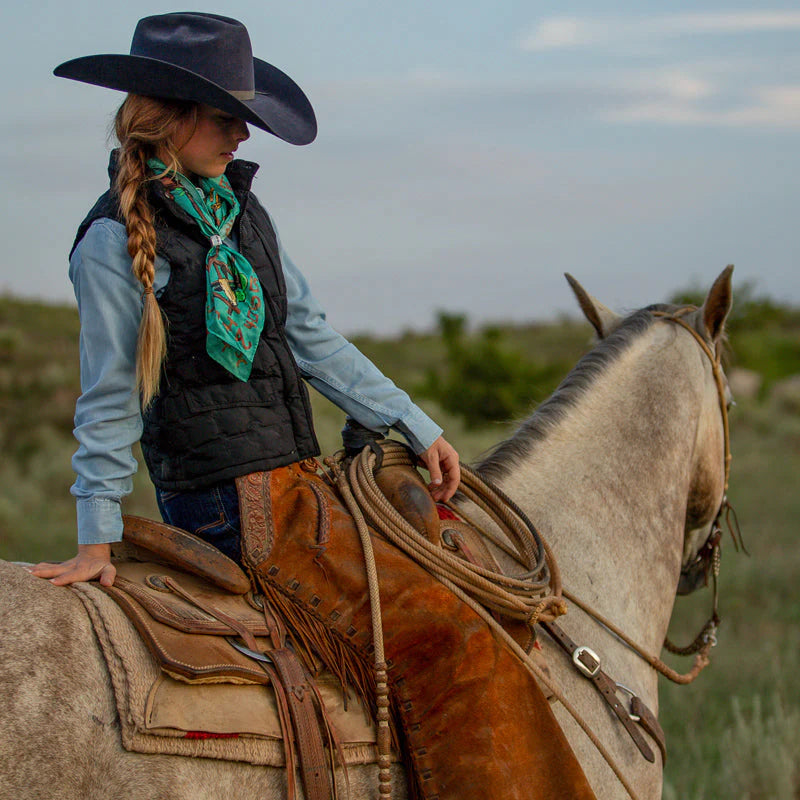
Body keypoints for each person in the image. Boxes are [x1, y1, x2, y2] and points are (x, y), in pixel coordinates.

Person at [29, 14, 597, 800]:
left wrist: (415, 423)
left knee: (481, 593)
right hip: (233, 509)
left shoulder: (243, 215)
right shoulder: (109, 242)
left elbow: (312, 338)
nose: (239, 136)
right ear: (169, 113)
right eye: (226, 118)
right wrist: (97, 535)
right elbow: (108, 398)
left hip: (301, 487)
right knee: (458, 641)